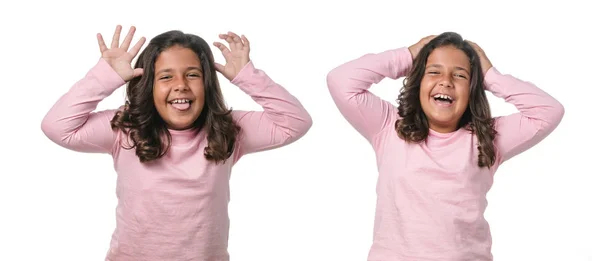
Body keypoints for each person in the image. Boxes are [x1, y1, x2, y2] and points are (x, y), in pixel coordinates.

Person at [41, 25, 312, 261]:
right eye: (166, 76)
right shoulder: (125, 127)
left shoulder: (229, 129)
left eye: (192, 75)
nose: (180, 85)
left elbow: (296, 122)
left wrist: (248, 76)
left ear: (207, 84)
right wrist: (104, 78)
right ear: (148, 84)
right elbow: (57, 127)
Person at [326, 32, 564, 260]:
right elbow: (340, 81)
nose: (446, 82)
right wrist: (408, 55)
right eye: (433, 72)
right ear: (418, 81)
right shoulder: (389, 126)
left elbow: (548, 112)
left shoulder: (487, 138)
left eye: (460, 75)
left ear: (472, 89)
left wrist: (491, 76)